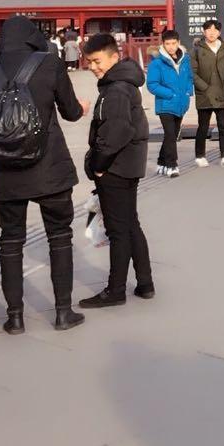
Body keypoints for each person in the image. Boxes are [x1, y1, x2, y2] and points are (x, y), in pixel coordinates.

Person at [0, 16, 86, 333]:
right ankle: (63, 313)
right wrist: (82, 107)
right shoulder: (49, 63)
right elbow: (71, 111)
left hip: (5, 171)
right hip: (50, 168)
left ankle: (15, 318)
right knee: (60, 238)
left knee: (10, 242)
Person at [79, 32, 153, 309]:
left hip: (116, 167)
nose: (93, 67)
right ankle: (145, 283)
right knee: (130, 224)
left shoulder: (116, 89)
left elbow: (118, 130)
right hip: (128, 164)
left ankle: (115, 289)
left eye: (97, 61)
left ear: (114, 57)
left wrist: (98, 165)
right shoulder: (121, 84)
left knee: (118, 230)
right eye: (89, 62)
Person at [146, 28, 193, 177]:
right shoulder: (157, 63)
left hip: (181, 104)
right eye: (168, 43)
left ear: (178, 43)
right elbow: (152, 84)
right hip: (165, 104)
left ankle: (161, 161)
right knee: (171, 135)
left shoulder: (185, 59)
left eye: (174, 43)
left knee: (170, 135)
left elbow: (189, 78)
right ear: (163, 44)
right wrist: (170, 94)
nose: (171, 46)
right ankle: (172, 165)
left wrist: (187, 92)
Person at [190, 20, 224, 169]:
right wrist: (204, 87)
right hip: (204, 93)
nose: (211, 32)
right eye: (208, 29)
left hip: (222, 92)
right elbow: (193, 72)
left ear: (219, 32)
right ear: (204, 32)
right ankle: (200, 155)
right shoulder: (197, 50)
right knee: (203, 126)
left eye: (215, 29)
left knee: (223, 126)